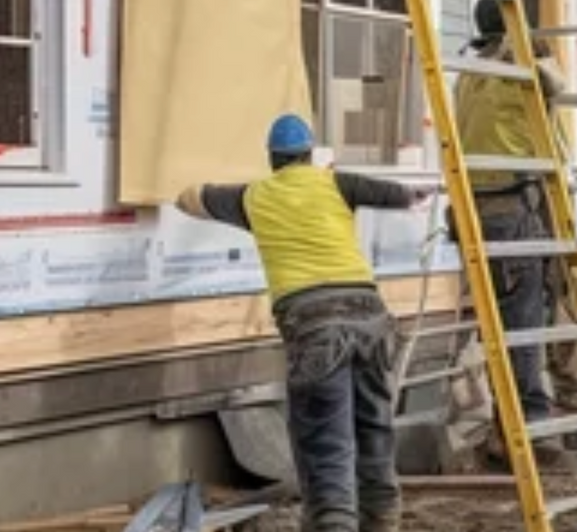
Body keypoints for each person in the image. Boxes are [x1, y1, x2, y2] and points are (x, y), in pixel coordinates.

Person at [177, 114, 426, 532]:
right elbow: (401, 195)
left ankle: (335, 524)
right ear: (311, 155)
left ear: (272, 159)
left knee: (326, 440)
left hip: (315, 326)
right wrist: (413, 194)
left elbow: (189, 198)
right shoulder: (337, 184)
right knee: (372, 425)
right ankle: (382, 518)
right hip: (369, 315)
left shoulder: (253, 198)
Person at [451, 0, 577, 460]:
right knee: (534, 314)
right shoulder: (517, 68)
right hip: (524, 201)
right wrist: (533, 53)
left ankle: (515, 423)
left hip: (478, 208)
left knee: (507, 318)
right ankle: (538, 424)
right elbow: (559, 84)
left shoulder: (466, 75)